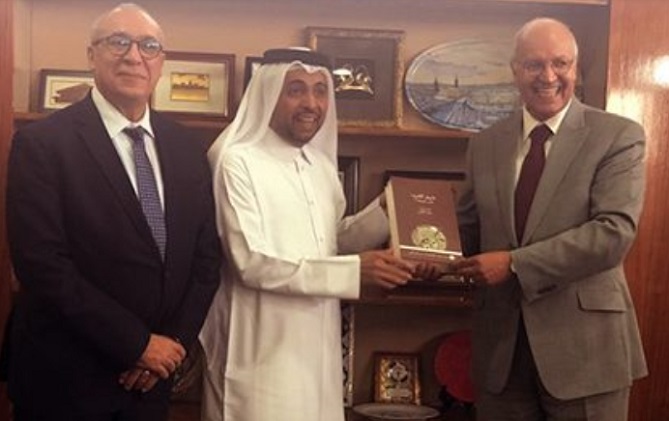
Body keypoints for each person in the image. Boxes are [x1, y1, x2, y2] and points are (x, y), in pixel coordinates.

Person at [5, 3, 221, 420]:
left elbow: (206, 259)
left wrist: (170, 346)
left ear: (161, 62)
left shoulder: (187, 147)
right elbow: (41, 264)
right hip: (65, 382)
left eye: (148, 46)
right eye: (118, 42)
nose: (134, 56)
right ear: (91, 55)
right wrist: (137, 345)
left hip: (151, 384)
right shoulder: (43, 144)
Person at [199, 48, 416, 421]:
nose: (311, 104)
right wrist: (355, 271)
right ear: (269, 94)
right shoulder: (236, 160)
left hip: (318, 349)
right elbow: (251, 262)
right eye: (296, 90)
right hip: (258, 351)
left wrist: (386, 210)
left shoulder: (318, 165)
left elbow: (329, 242)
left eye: (320, 91)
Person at [452, 17, 647, 420]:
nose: (548, 76)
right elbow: (467, 229)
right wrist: (425, 252)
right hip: (502, 354)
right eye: (534, 64)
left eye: (560, 63)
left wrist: (514, 264)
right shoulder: (485, 144)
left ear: (576, 68)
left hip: (586, 352)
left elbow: (613, 234)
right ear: (515, 70)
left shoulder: (618, 136)